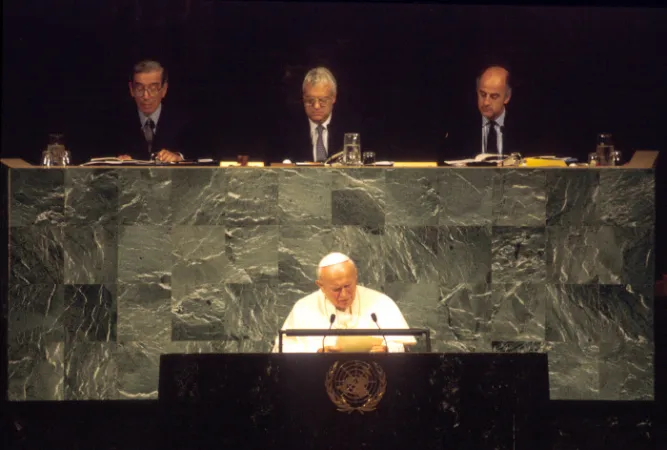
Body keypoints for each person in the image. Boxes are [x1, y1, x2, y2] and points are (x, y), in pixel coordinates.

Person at [273, 252, 415, 353]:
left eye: (348, 286)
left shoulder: (381, 302)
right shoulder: (303, 308)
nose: (344, 294)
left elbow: (404, 346)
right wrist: (317, 352)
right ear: (321, 286)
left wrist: (387, 349)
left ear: (356, 278)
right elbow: (283, 348)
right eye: (336, 289)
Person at [274, 67, 363, 163]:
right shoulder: (287, 129)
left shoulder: (350, 127)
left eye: (322, 100)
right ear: (303, 98)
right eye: (310, 100)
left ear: (333, 98)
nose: (316, 106)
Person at [440, 65, 526, 161]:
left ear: (507, 97)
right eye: (483, 94)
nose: (486, 102)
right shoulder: (459, 128)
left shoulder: (523, 129)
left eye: (494, 96)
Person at [116, 60, 188, 162]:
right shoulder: (117, 122)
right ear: (131, 89)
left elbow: (199, 156)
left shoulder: (183, 122)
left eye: (153, 88)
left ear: (164, 90)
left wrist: (179, 158)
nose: (146, 96)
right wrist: (117, 163)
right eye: (140, 89)